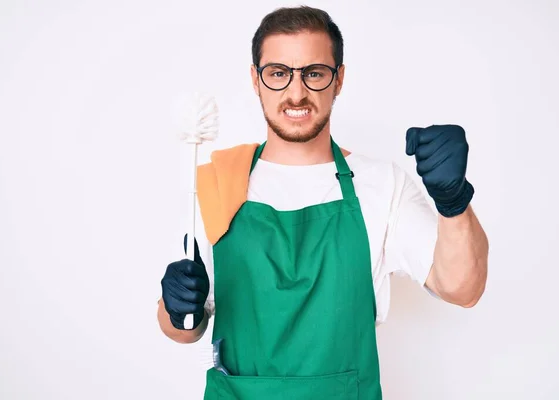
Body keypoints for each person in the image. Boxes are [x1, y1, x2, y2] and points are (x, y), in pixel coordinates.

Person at [157, 5, 489, 399]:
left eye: (313, 73)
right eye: (278, 74)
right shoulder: (217, 180)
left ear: (339, 79)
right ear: (255, 79)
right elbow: (184, 329)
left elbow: (462, 288)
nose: (296, 93)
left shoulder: (382, 185)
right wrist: (177, 309)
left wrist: (454, 202)